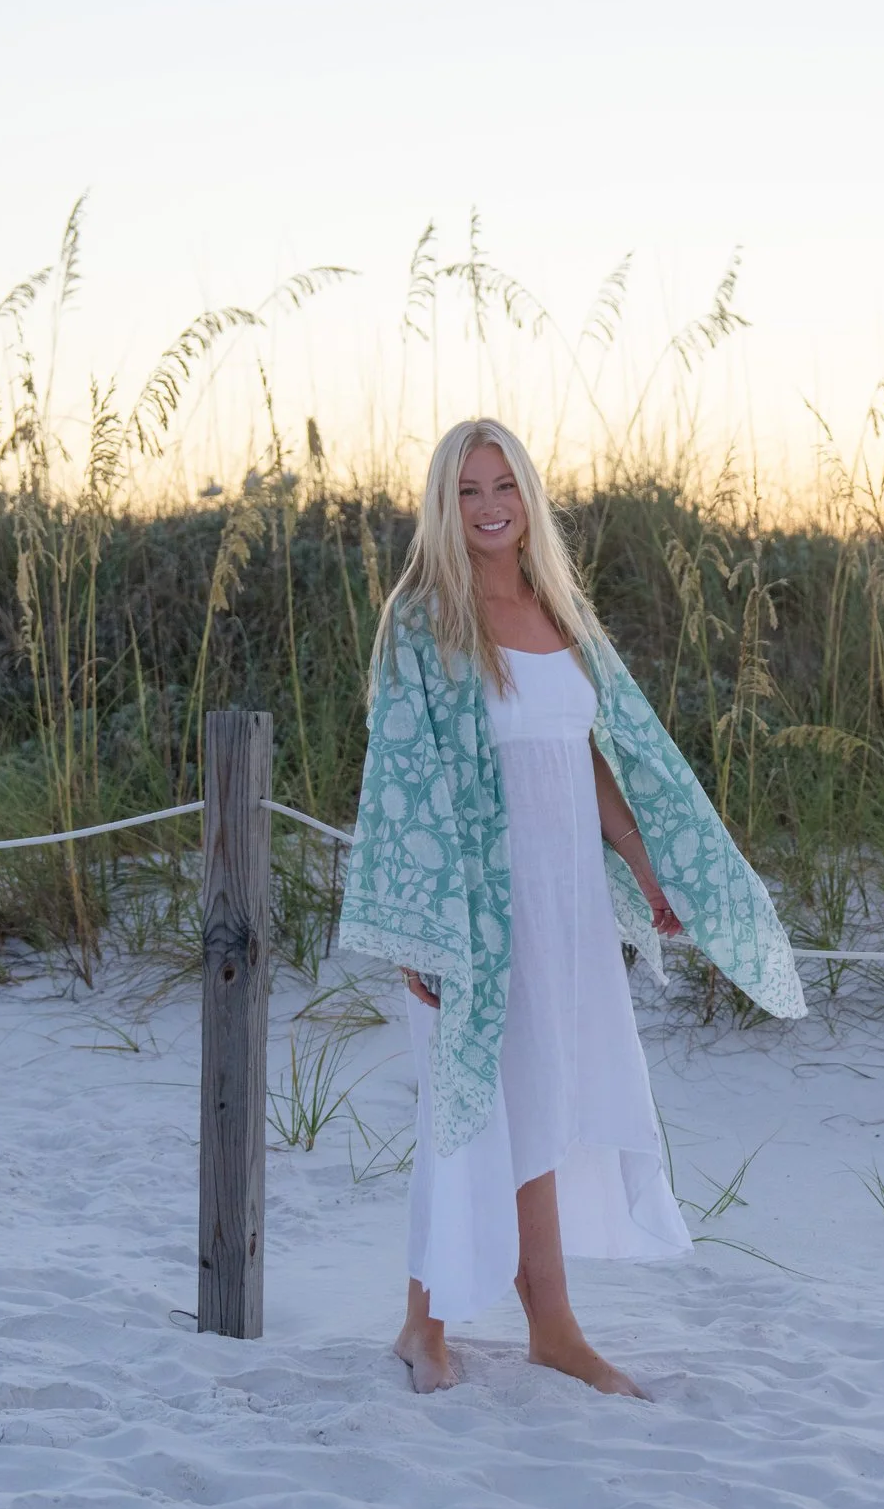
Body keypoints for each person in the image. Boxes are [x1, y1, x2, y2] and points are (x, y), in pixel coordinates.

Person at [338, 418, 806, 1397]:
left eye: (503, 483)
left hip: (566, 902)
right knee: (465, 1105)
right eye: (467, 490)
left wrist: (644, 862)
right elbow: (400, 780)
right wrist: (418, 924)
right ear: (442, 502)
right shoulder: (422, 619)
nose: (488, 505)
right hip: (472, 903)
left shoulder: (561, 611)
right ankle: (446, 1327)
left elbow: (595, 754)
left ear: (529, 493)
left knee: (537, 1102)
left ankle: (537, 1328)